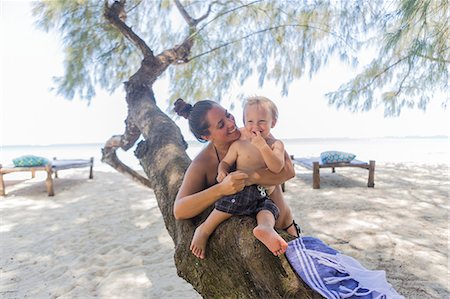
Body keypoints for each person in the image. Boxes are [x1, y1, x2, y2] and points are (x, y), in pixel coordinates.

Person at [173, 98, 301, 260]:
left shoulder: (254, 132)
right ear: (206, 136)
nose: (231, 124)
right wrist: (221, 189)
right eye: (221, 124)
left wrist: (252, 177)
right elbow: (179, 210)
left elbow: (288, 171)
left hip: (285, 225)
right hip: (264, 241)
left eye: (228, 115)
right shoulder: (204, 162)